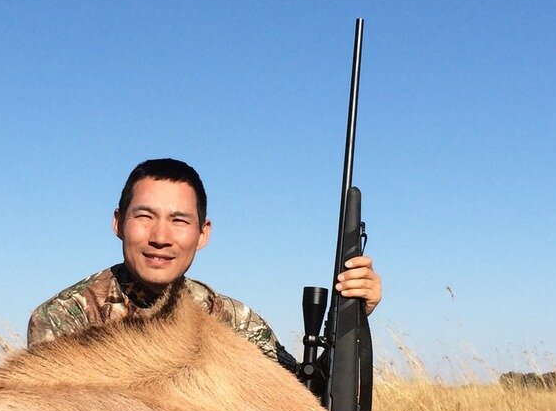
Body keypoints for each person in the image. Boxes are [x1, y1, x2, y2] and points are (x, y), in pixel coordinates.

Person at [27, 157, 382, 367]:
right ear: (118, 223)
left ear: (203, 234)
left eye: (179, 220)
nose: (161, 237)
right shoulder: (63, 319)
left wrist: (351, 317)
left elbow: (303, 400)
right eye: (145, 216)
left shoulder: (233, 320)